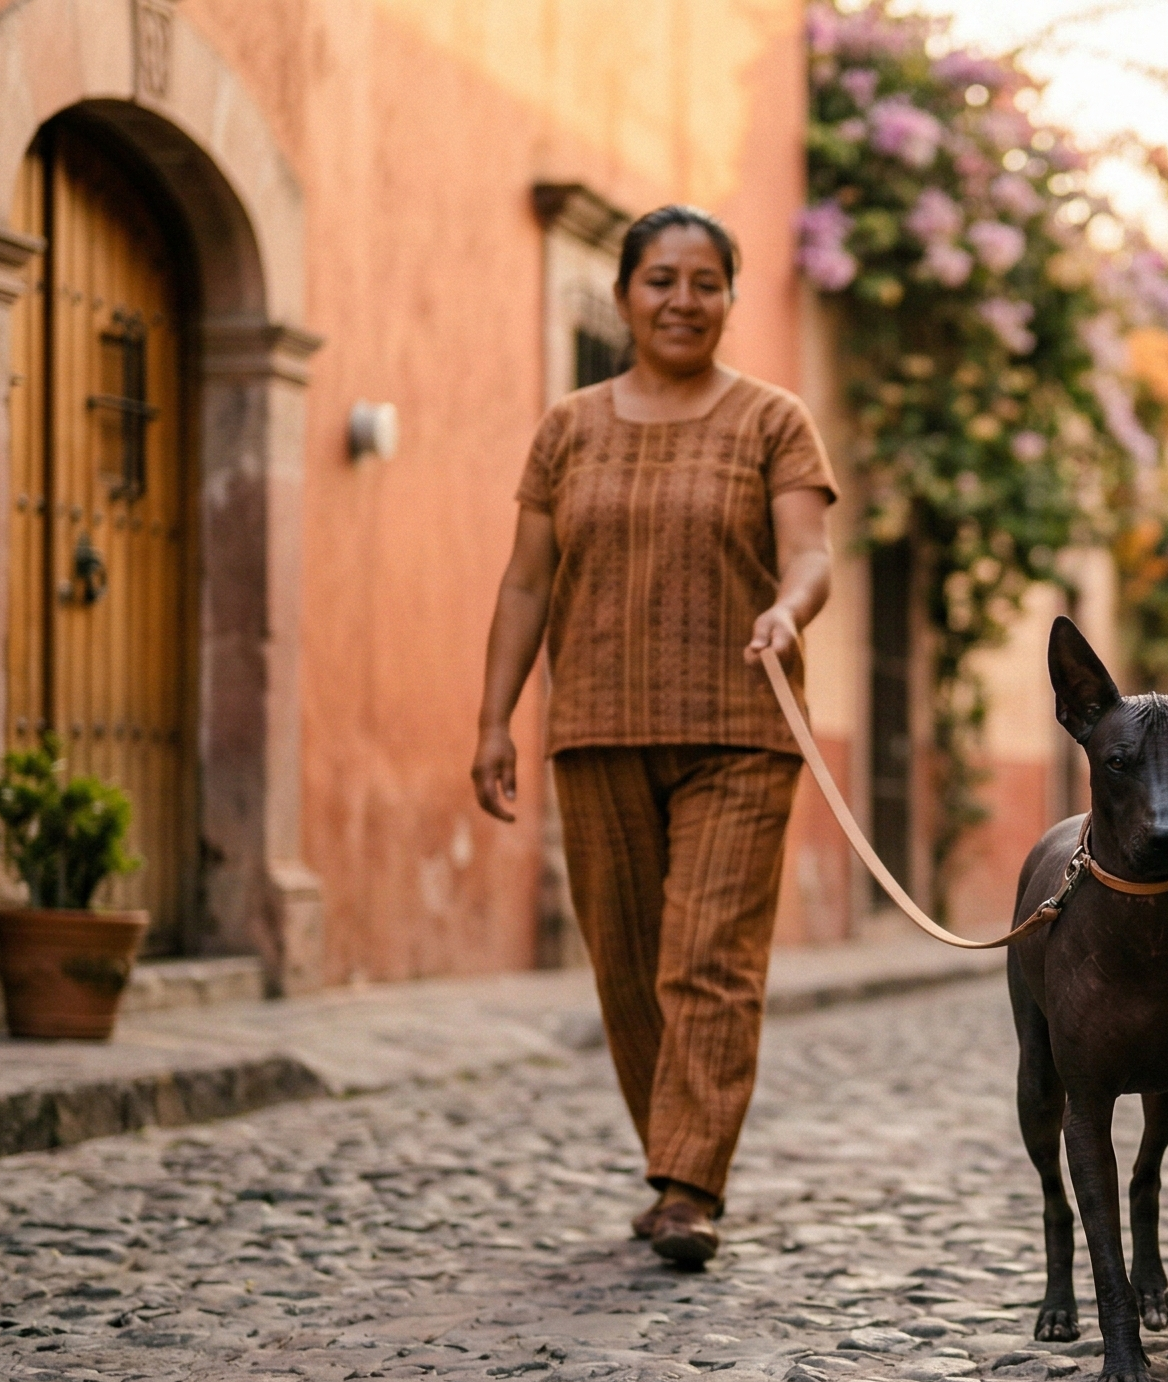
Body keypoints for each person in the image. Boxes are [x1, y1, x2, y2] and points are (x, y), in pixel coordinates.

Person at [471, 206, 838, 1266]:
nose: (684, 300)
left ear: (730, 294)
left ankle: (687, 1185)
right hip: (596, 723)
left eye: (706, 281)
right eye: (661, 280)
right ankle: (673, 1155)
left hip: (741, 726)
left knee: (708, 957)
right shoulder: (568, 429)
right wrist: (492, 717)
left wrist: (788, 608)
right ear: (627, 292)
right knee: (629, 965)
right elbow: (527, 578)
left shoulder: (774, 420)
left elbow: (809, 552)